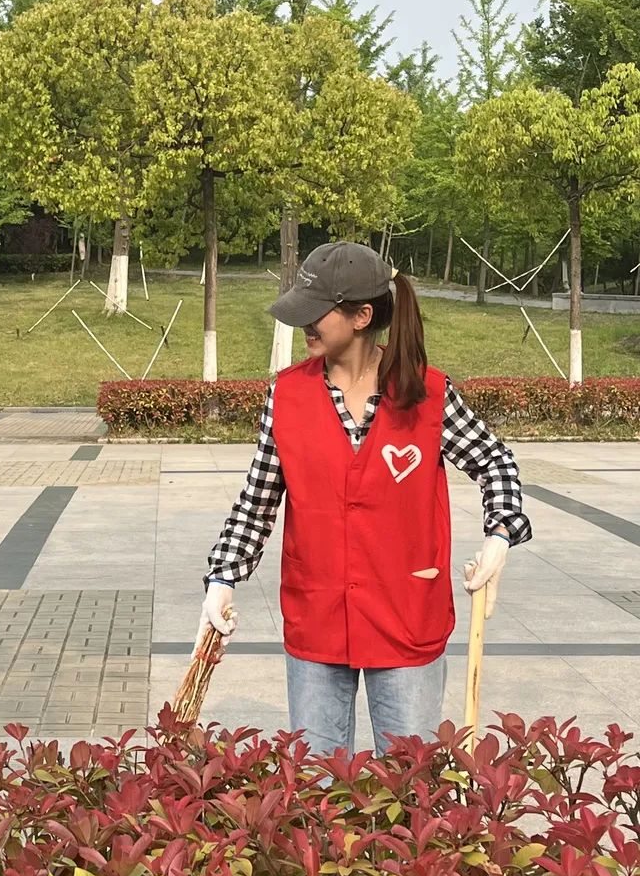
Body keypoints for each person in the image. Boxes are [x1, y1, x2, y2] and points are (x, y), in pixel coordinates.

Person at [198, 241, 531, 757]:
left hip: (406, 617)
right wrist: (222, 579)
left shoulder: (427, 393)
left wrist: (500, 534)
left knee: (408, 782)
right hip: (317, 615)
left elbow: (495, 462)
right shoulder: (286, 395)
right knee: (316, 783)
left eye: (317, 312)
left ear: (362, 316)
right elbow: (257, 500)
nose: (304, 325)